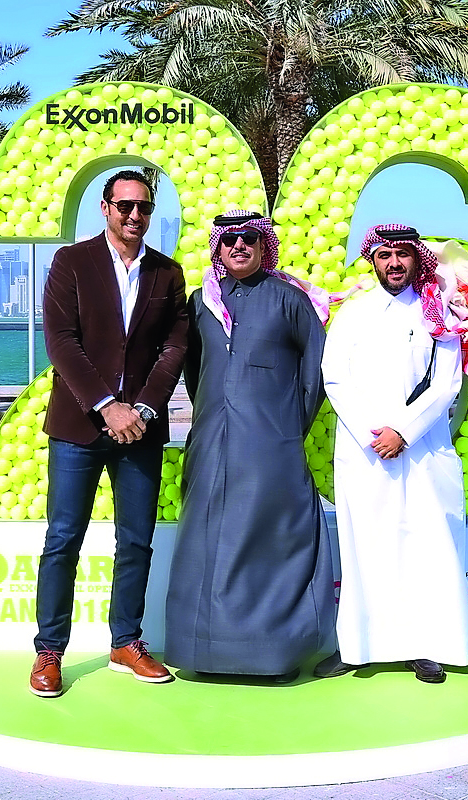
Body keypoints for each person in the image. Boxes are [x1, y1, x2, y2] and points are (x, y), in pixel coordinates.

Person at [317, 224, 468, 684]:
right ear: (372, 260)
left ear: (418, 260)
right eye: (384, 254)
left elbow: (447, 383)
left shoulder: (441, 313)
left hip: (423, 451)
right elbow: (334, 377)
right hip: (364, 452)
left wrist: (403, 431)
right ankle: (358, 647)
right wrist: (370, 433)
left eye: (402, 254)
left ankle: (427, 646)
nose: (393, 263)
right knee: (364, 548)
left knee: (427, 545)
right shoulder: (352, 314)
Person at [30, 170, 188, 697]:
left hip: (141, 428)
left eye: (143, 207)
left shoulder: (168, 274)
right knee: (62, 539)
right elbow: (61, 342)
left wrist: (139, 409)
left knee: (136, 541)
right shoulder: (71, 263)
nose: (134, 216)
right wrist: (106, 406)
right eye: (124, 206)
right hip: (78, 426)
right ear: (104, 208)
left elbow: (174, 349)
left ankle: (126, 642)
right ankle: (49, 651)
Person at [164, 211, 333, 682]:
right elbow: (193, 371)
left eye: (250, 239)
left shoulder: (289, 300)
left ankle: (271, 656)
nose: (239, 246)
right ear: (217, 248)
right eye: (230, 240)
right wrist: (215, 414)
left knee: (271, 542)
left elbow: (316, 369)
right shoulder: (201, 303)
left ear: (264, 247)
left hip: (271, 447)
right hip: (212, 444)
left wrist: (285, 427)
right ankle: (202, 654)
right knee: (205, 543)